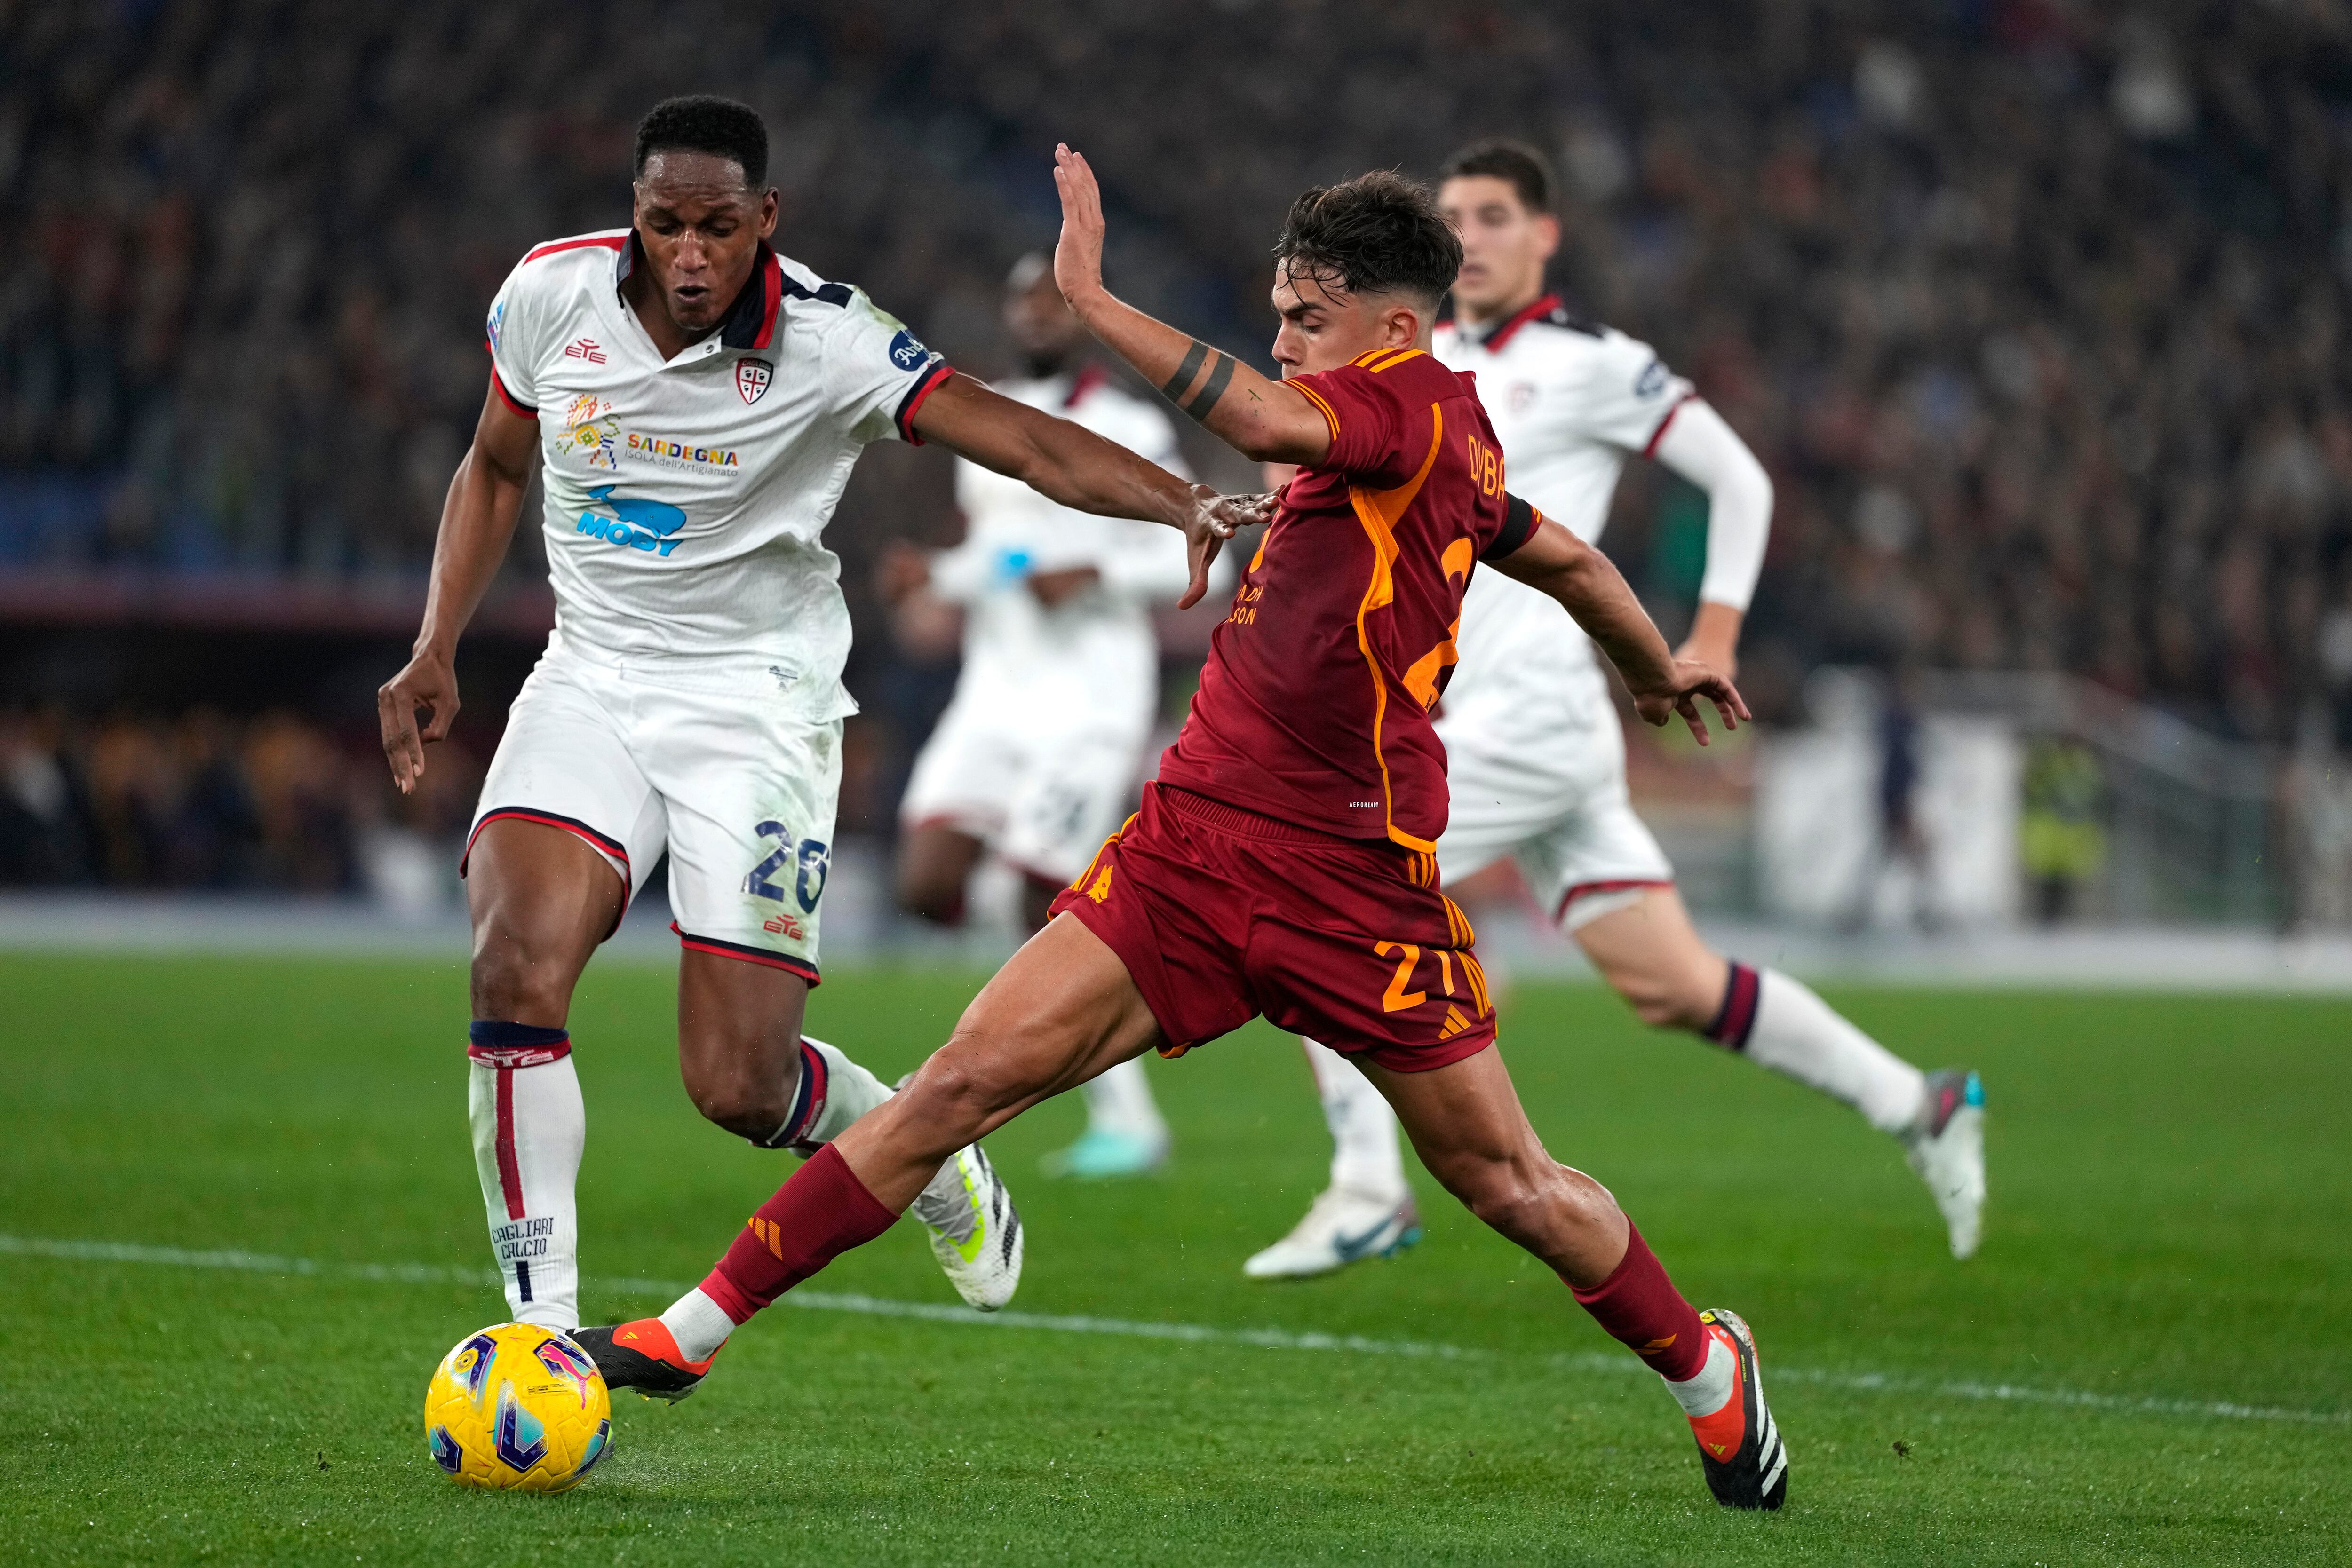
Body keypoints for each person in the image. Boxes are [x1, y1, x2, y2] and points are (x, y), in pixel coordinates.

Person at [581, 150, 1789, 1512]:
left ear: (1391, 328)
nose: (1282, 343)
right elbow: (1559, 555)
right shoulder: (1417, 436)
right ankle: (686, 1331)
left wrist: (1096, 295)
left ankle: (1706, 1368)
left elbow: (1270, 423)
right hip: (1196, 848)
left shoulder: (1406, 415)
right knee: (959, 1084)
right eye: (1277, 314)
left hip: (1355, 885)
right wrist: (1652, 662)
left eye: (1305, 317)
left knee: (1509, 1184)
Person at [374, 99, 1245, 1337]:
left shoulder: (834, 338)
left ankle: (929, 1151)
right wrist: (436, 639)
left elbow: (1021, 441)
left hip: (756, 706)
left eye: (716, 226)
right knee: (512, 965)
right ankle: (541, 1331)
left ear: (764, 220)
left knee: (739, 1082)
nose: (687, 252)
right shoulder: (548, 297)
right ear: (635, 211)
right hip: (593, 676)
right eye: (664, 221)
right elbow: (499, 464)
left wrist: (1181, 502)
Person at [1245, 142, 1985, 1282]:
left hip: (1524, 718)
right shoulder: (1405, 366)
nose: (1473, 234)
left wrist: (1714, 636)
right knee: (1672, 983)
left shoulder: (1589, 364)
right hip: (1493, 728)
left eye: (1495, 214)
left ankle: (1365, 1184)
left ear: (1544, 235)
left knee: (1326, 890)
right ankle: (1921, 1102)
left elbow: (1739, 479)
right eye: (1455, 217)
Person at [886, 253, 1192, 1179]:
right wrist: (933, 576)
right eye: (1025, 297)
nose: (1039, 313)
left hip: (1090, 699)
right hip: (997, 693)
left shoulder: (1131, 425)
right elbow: (1005, 556)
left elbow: (1193, 537)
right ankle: (1108, 958)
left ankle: (1123, 1117)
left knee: (1035, 895)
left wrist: (1100, 573)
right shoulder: (985, 419)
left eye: (1057, 300)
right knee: (925, 880)